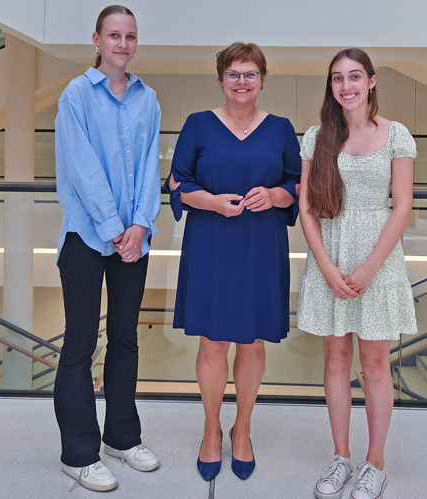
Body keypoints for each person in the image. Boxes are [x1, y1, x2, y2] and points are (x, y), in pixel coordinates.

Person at [165, 42, 301, 481]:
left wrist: (275, 194)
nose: (242, 82)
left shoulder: (280, 128)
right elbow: (178, 182)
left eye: (250, 74)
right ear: (221, 78)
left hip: (261, 244)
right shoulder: (198, 125)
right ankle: (210, 430)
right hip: (211, 242)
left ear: (262, 79)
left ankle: (241, 429)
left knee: (253, 342)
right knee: (212, 343)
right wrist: (211, 201)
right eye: (234, 74)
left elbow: (296, 185)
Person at [297, 48, 418, 499]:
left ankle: (376, 462)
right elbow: (307, 208)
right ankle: (341, 457)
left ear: (371, 81)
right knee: (334, 360)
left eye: (354, 77)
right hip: (330, 257)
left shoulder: (395, 134)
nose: (345, 86)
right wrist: (327, 267)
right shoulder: (317, 136)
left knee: (373, 365)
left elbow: (402, 205)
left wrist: (369, 267)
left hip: (379, 259)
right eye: (336, 78)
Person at [52, 4, 162, 493]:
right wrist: (115, 226)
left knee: (125, 338)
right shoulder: (75, 94)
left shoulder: (148, 99)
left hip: (131, 239)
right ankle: (78, 453)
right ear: (96, 39)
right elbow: (82, 167)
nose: (122, 43)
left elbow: (150, 167)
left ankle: (121, 436)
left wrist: (140, 224)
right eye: (114, 35)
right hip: (84, 234)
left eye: (130, 36)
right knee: (80, 342)